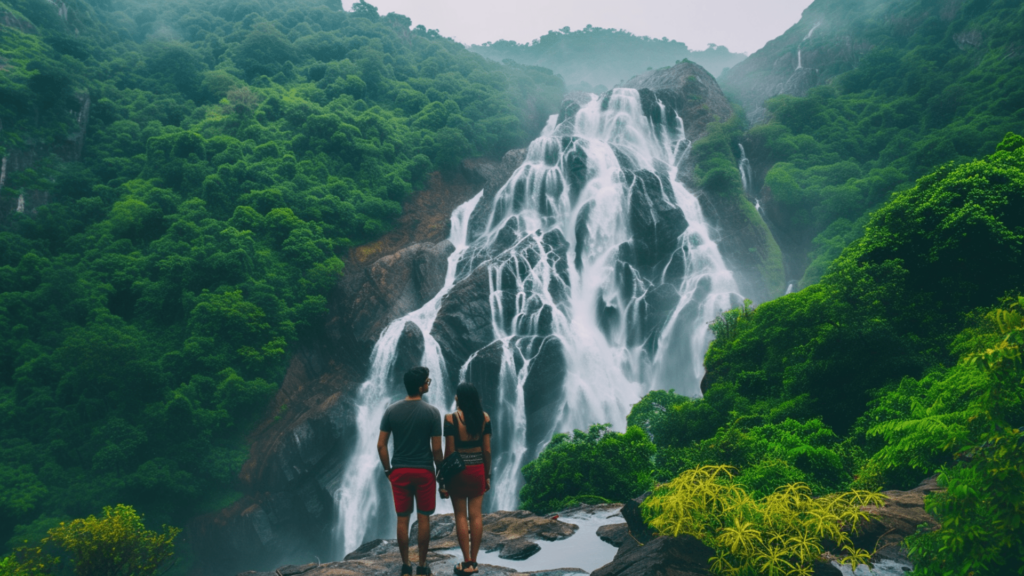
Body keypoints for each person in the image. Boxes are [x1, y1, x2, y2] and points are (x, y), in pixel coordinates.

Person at [377, 366, 443, 576]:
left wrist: (388, 470)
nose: (428, 383)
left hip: (400, 472)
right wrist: (440, 474)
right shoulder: (433, 413)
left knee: (402, 519)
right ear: (420, 386)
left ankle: (406, 566)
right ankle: (422, 567)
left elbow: (381, 445)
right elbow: (437, 450)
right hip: (424, 473)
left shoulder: (391, 410)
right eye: (427, 381)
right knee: (424, 518)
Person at [440, 383, 492, 576]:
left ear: (458, 398)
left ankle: (466, 561)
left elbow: (449, 452)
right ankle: (475, 562)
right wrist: (487, 475)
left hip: (458, 472)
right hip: (478, 469)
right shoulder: (484, 418)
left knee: (460, 516)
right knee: (476, 515)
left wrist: (444, 481)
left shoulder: (450, 418)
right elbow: (487, 450)